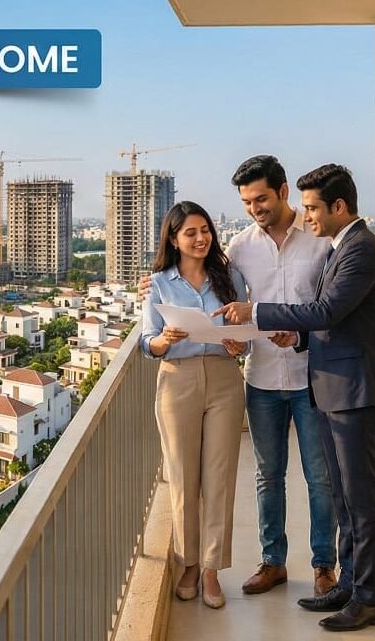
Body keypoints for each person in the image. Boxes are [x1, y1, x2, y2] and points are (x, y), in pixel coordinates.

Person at [143, 155, 339, 597]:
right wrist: (153, 288)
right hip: (261, 377)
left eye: (261, 199)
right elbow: (207, 292)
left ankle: (324, 566)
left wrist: (294, 334)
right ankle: (272, 562)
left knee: (320, 476)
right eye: (247, 202)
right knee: (268, 476)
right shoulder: (241, 248)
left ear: (283, 192)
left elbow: (330, 305)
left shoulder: (318, 239)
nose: (254, 209)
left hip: (310, 374)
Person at [215, 163, 375, 632]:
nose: (308, 215)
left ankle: (368, 597)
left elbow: (327, 310)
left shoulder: (360, 249)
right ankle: (349, 585)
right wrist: (297, 338)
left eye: (313, 208)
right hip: (329, 385)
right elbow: (333, 322)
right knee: (343, 495)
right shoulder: (341, 246)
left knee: (358, 497)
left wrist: (259, 312)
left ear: (339, 206)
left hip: (353, 388)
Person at [139, 201, 248, 610]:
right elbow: (147, 342)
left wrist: (237, 344)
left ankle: (211, 569)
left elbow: (243, 335)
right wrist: (164, 340)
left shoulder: (231, 277)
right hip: (177, 379)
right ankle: (188, 562)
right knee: (183, 477)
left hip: (224, 379)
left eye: (205, 230)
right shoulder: (158, 284)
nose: (201, 238)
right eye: (191, 232)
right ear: (173, 239)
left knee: (219, 477)